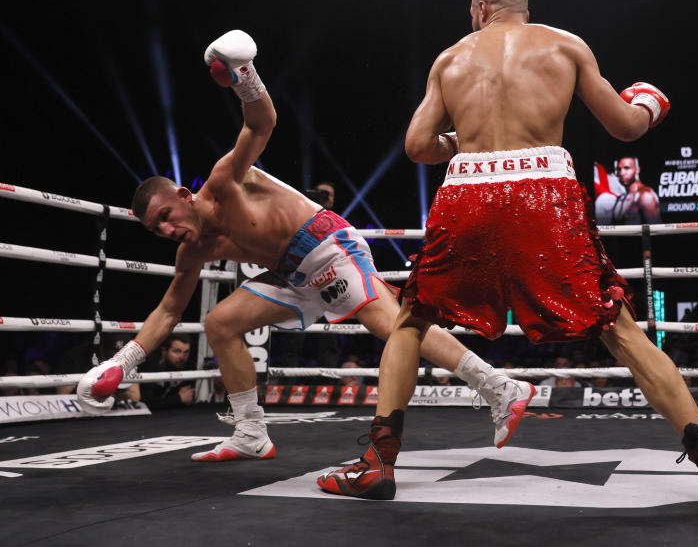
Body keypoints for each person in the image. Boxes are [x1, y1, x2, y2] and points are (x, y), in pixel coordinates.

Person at [319, 0, 698, 512]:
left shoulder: (448, 59)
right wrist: (648, 103)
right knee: (616, 327)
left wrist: (463, 139)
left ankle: (377, 464)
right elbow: (625, 127)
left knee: (411, 321)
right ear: (521, 8)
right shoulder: (564, 44)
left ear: (481, 9)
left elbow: (416, 146)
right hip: (542, 193)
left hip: (467, 196)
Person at [75, 29, 534, 460]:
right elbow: (169, 311)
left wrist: (244, 77)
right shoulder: (194, 251)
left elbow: (261, 124)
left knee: (389, 323)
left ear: (181, 195)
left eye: (165, 218)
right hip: (289, 273)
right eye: (157, 231)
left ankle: (497, 385)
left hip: (326, 244)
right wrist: (120, 363)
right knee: (220, 323)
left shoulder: (224, 181)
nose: (168, 231)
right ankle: (250, 432)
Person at [134, 335, 195, 409]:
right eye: (177, 351)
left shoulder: (188, 366)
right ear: (164, 351)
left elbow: (187, 399)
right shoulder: (149, 366)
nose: (182, 357)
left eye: (186, 352)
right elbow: (145, 401)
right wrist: (177, 399)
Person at [610, 156, 661, 224]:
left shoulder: (645, 195)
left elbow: (655, 229)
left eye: (627, 168)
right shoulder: (621, 198)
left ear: (637, 170)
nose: (621, 173)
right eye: (619, 169)